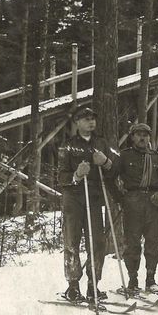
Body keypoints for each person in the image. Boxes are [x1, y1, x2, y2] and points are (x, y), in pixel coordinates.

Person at [58, 106, 118, 302]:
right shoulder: (67, 146)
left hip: (93, 198)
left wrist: (106, 162)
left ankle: (93, 285)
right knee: (72, 242)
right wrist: (76, 175)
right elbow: (60, 177)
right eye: (85, 119)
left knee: (97, 243)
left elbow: (114, 169)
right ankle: (73, 286)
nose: (91, 122)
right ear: (76, 122)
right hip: (73, 199)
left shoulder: (101, 143)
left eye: (92, 118)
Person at [114, 122, 158, 293]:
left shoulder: (155, 156)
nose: (142, 137)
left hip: (153, 203)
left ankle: (151, 279)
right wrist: (120, 197)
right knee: (132, 242)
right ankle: (132, 280)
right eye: (138, 134)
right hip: (132, 202)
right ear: (132, 137)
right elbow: (111, 177)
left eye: (145, 134)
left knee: (153, 242)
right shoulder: (124, 156)